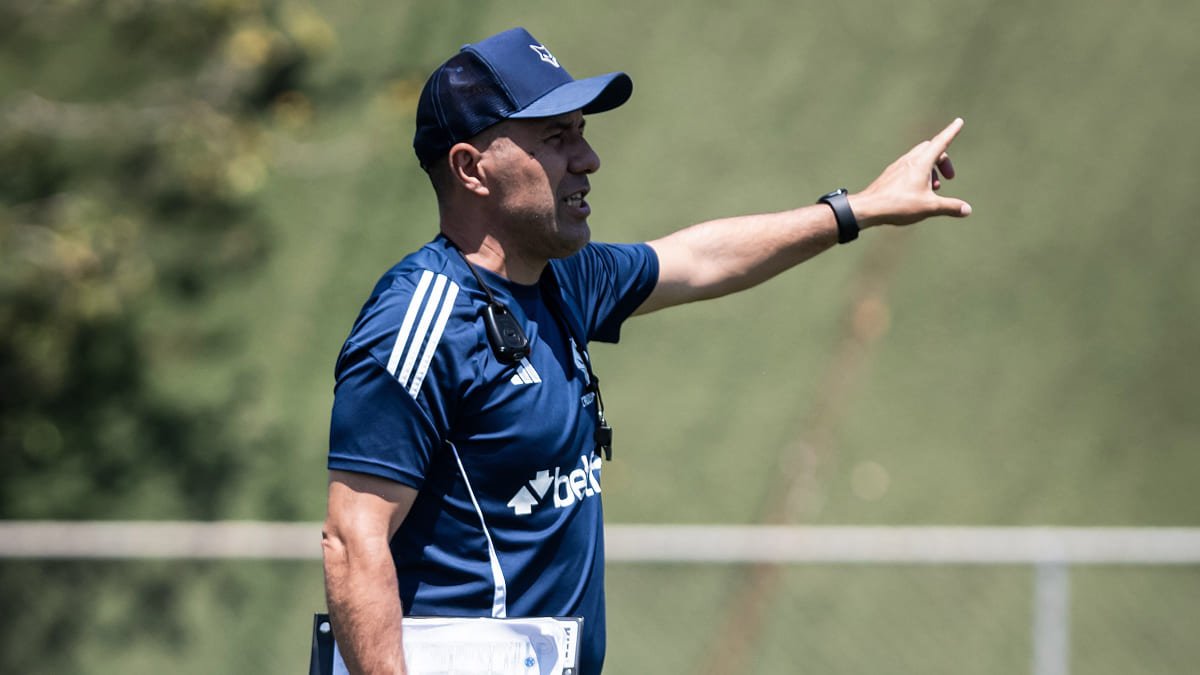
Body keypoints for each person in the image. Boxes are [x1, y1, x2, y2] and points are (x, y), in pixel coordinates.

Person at [321, 26, 971, 675]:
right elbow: (353, 541)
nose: (588, 159)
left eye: (581, 132)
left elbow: (700, 259)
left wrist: (860, 208)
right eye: (557, 137)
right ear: (471, 168)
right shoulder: (419, 319)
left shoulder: (562, 281)